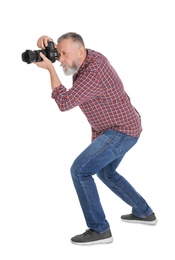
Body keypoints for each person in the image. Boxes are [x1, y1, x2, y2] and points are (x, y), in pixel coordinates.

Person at [35, 32, 157, 245]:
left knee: (80, 171)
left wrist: (50, 70)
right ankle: (143, 212)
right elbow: (68, 55)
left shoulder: (93, 72)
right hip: (119, 127)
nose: (60, 59)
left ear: (80, 51)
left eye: (63, 54)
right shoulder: (85, 58)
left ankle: (99, 229)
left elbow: (64, 103)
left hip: (121, 131)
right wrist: (50, 44)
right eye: (58, 54)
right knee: (107, 173)